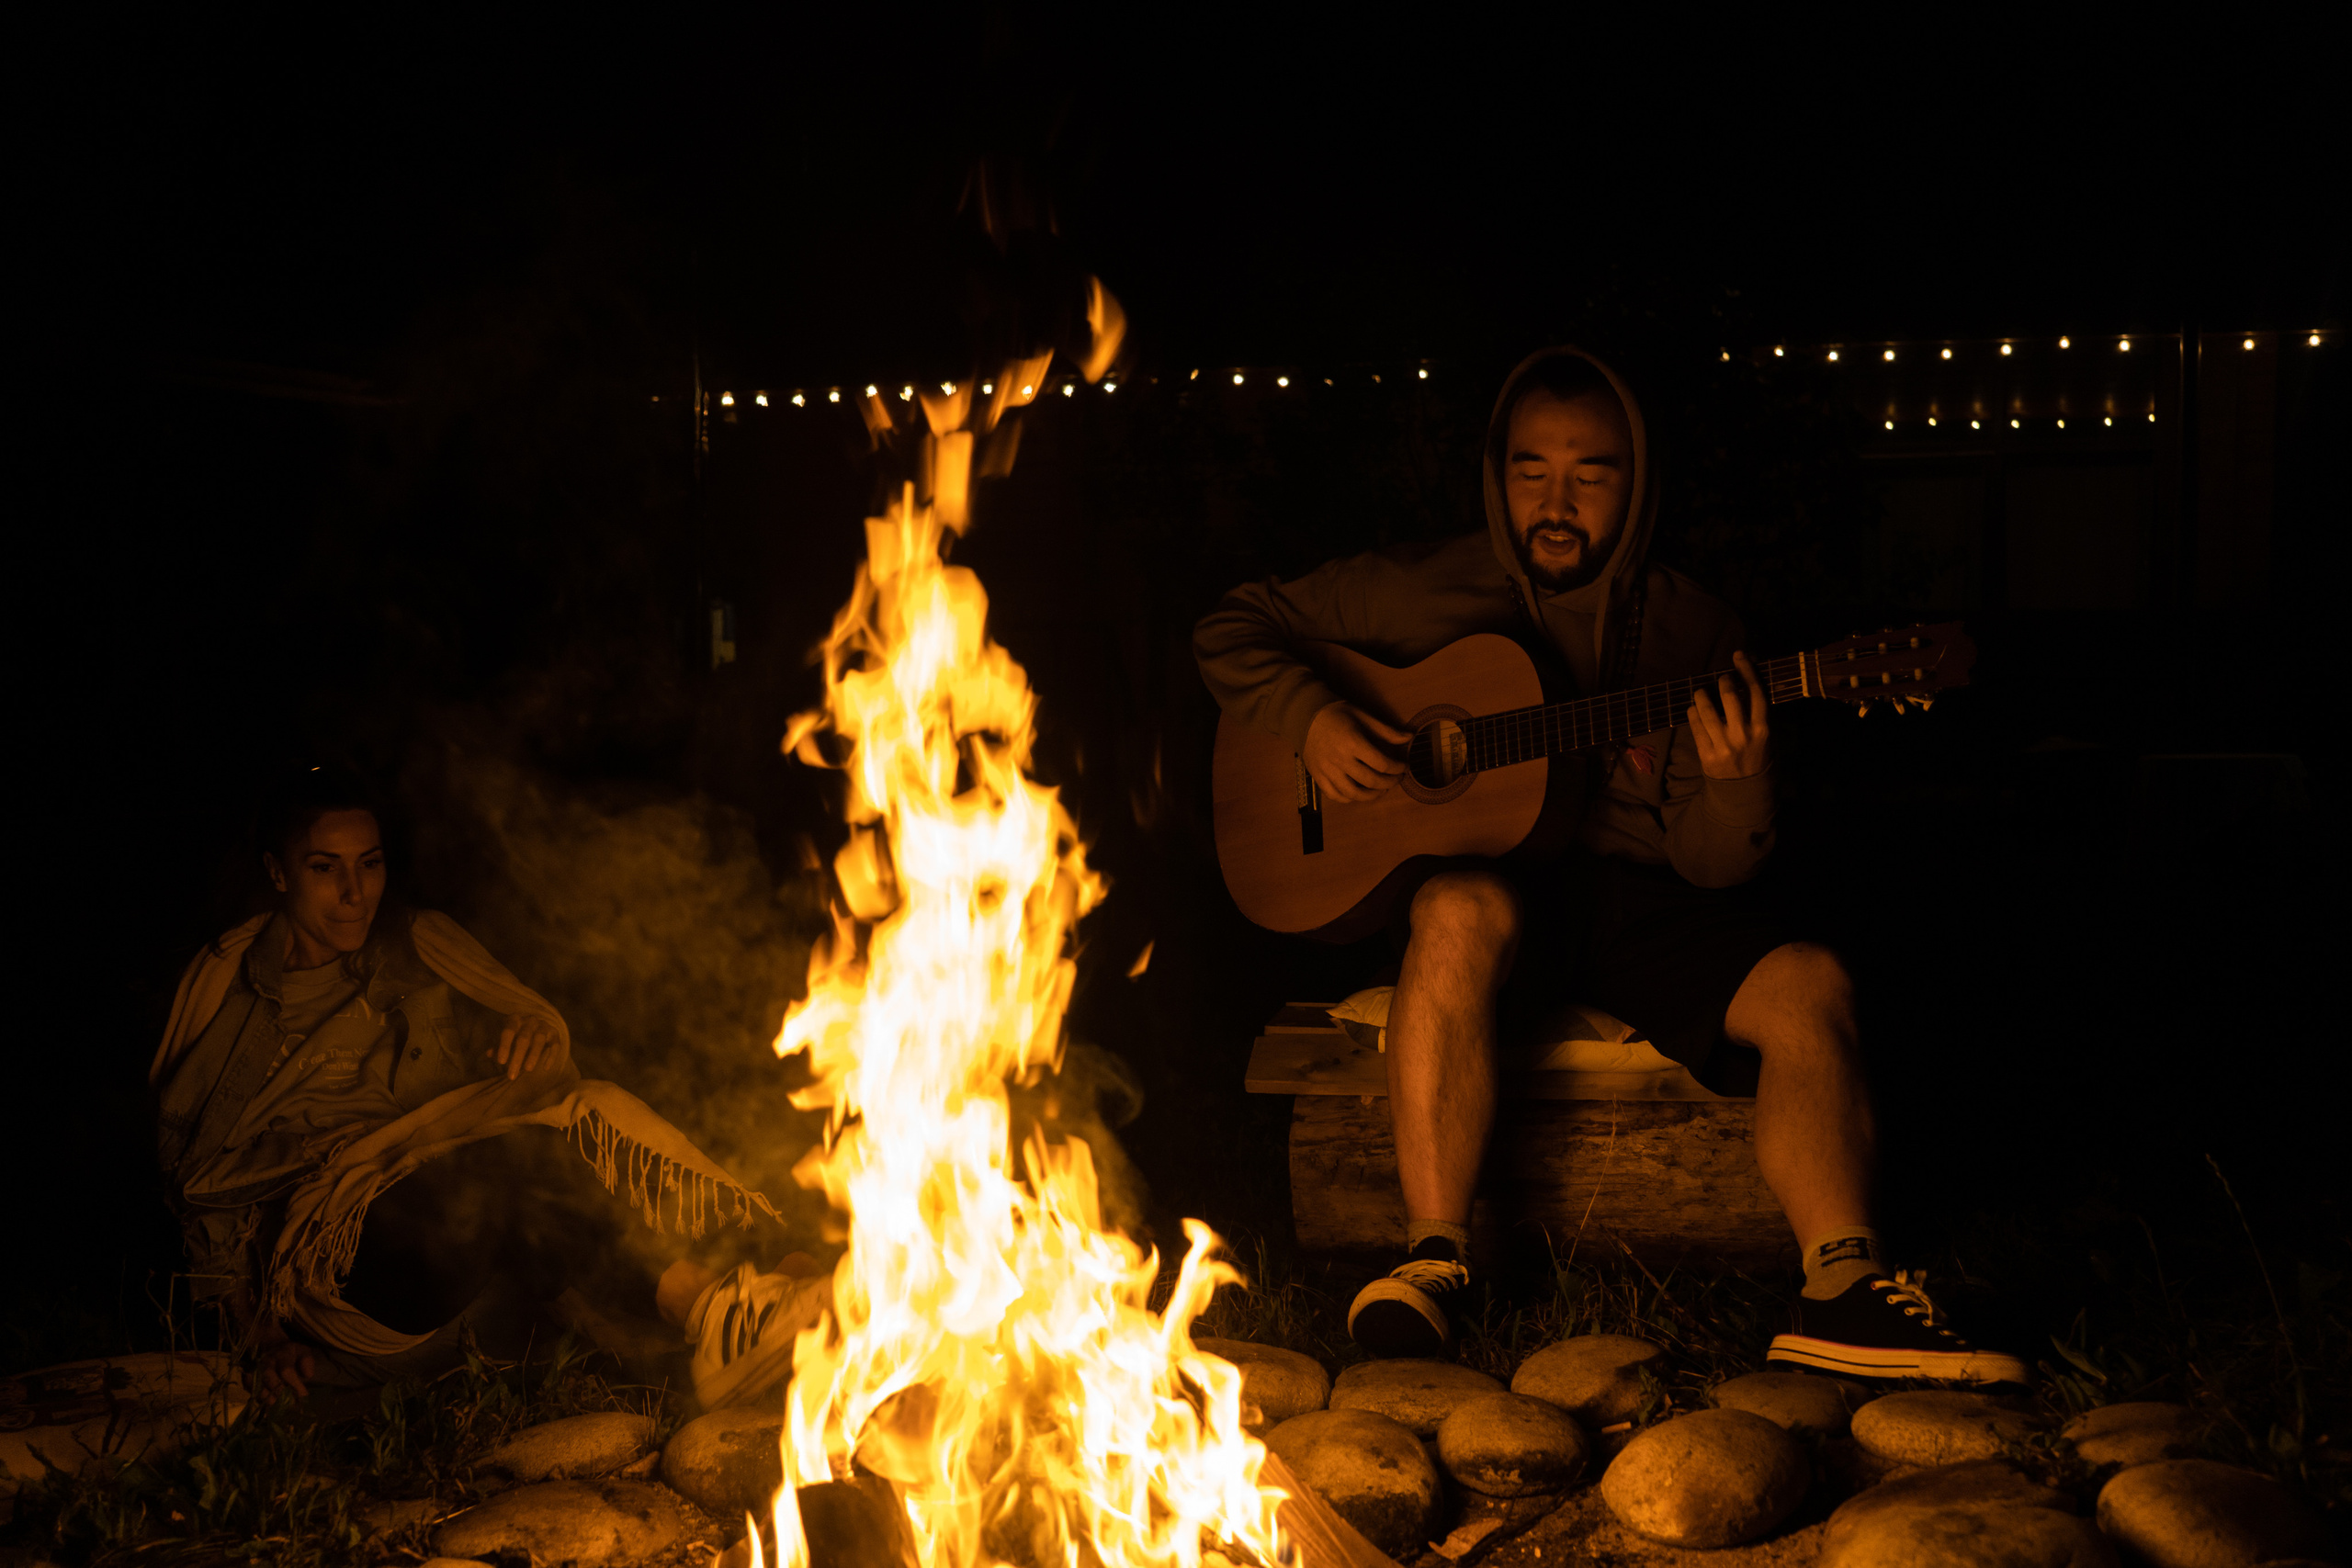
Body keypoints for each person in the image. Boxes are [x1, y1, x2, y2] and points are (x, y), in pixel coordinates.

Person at [1193, 347, 2027, 1383]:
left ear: (1636, 484)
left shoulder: (1692, 630)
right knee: (1456, 907)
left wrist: (1738, 785)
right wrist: (1312, 717)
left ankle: (1845, 1287)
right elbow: (1230, 627)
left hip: (1638, 903)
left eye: (1590, 474)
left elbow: (1710, 867)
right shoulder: (1414, 589)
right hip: (1492, 892)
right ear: (1497, 475)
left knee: (1810, 981)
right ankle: (1435, 1259)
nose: (1555, 503)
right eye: (1530, 471)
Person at [152, 766, 824, 1408]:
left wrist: (529, 1036)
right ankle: (713, 1315)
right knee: (513, 1167)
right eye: (325, 868)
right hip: (344, 1259)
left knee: (592, 1108)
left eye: (370, 863)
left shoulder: (417, 951)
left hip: (444, 1201)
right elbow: (198, 1182)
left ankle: (788, 1282)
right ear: (278, 873)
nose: (355, 893)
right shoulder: (231, 996)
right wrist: (259, 1334)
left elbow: (510, 1067)